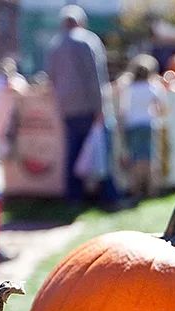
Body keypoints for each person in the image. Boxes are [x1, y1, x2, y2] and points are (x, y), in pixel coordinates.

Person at [45, 4, 119, 206]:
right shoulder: (88, 41)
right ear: (81, 22)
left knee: (73, 152)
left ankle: (74, 196)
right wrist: (100, 108)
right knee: (102, 150)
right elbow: (96, 77)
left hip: (67, 108)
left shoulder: (55, 45)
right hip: (88, 106)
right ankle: (107, 196)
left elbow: (51, 78)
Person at [116, 54, 164, 200]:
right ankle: (151, 188)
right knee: (149, 157)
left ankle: (135, 189)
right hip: (148, 124)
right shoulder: (152, 87)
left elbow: (123, 109)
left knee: (135, 157)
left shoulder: (129, 88)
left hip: (132, 124)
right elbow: (161, 107)